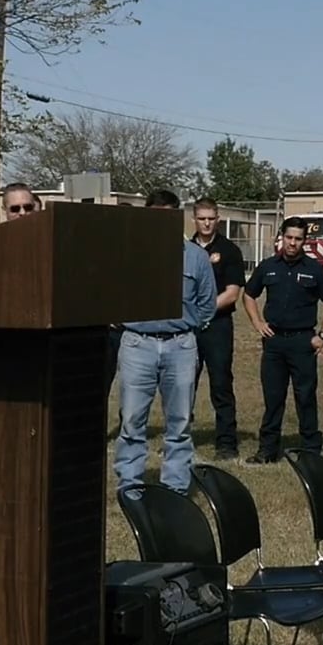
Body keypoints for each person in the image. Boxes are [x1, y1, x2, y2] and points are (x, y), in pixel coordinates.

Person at [114, 189, 216, 493]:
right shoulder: (127, 253)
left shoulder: (195, 257)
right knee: (132, 420)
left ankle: (176, 490)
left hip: (181, 345)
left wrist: (184, 329)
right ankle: (130, 486)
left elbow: (207, 304)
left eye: (169, 217)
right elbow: (111, 295)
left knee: (180, 422)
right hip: (137, 344)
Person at [242, 217, 323, 463]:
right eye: (289, 237)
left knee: (305, 397)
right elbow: (249, 295)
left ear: (304, 241)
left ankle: (310, 450)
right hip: (274, 342)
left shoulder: (314, 269)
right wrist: (257, 323)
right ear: (281, 237)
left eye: (298, 239)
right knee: (273, 398)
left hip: (302, 342)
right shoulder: (268, 266)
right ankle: (267, 450)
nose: (292, 243)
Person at [190, 198, 247, 460]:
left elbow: (232, 293)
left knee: (221, 383)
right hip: (188, 327)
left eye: (211, 218)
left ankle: (226, 442)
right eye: (202, 218)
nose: (206, 223)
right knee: (183, 384)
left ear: (218, 219)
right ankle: (180, 439)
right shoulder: (184, 250)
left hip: (217, 325)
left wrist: (201, 310)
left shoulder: (230, 250)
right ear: (194, 219)